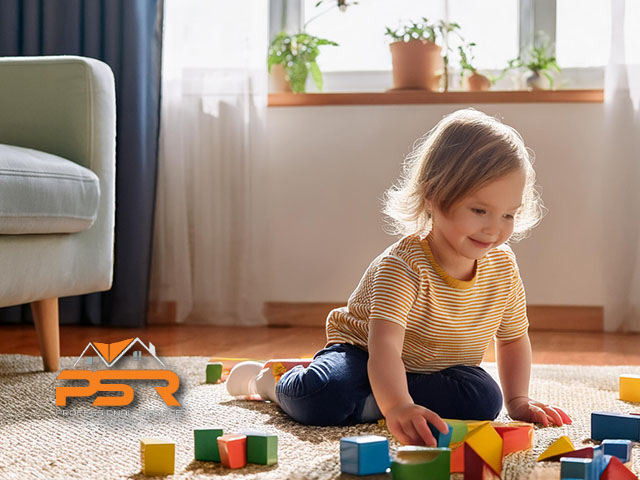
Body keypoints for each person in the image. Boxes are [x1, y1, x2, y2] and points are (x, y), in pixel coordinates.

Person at [228, 108, 571, 446]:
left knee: (483, 399)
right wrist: (398, 406)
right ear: (433, 197)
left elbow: (511, 339)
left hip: (435, 372)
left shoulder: (503, 268)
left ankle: (366, 404)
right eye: (479, 210)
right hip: (364, 355)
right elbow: (385, 347)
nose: (494, 229)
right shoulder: (403, 267)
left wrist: (518, 401)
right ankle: (272, 381)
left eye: (508, 214)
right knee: (322, 397)